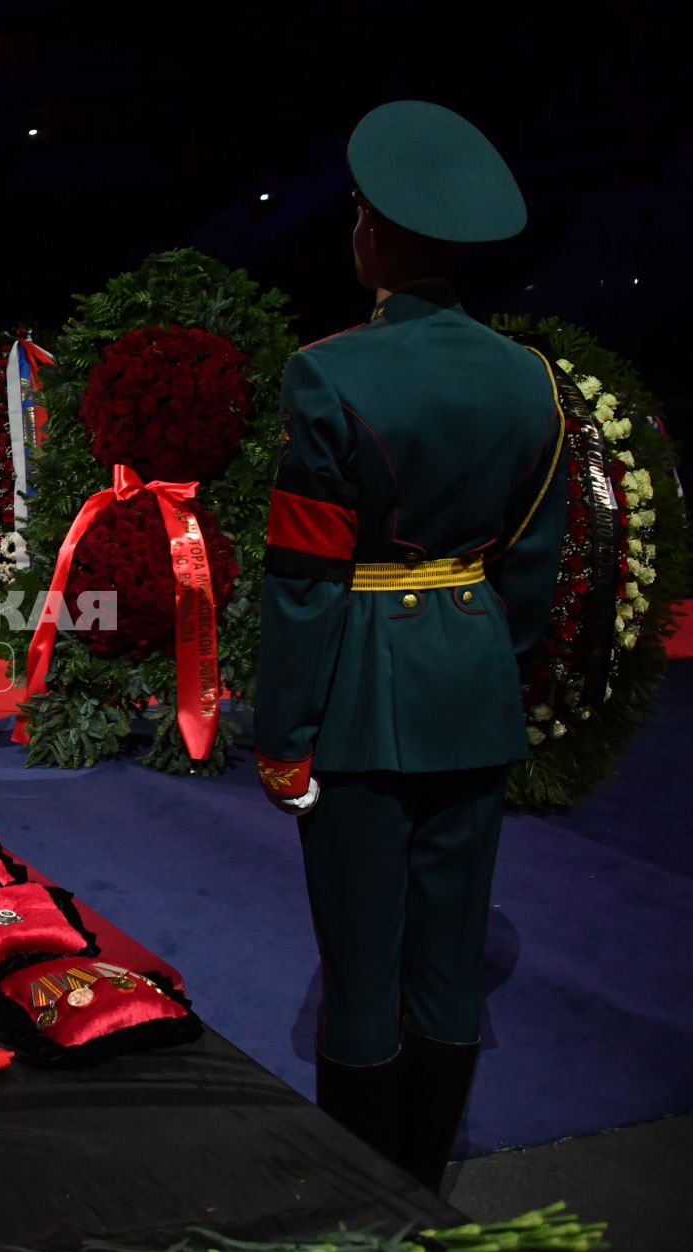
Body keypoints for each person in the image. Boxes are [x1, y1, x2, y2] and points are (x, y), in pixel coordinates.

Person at [253, 100, 566, 1192]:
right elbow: (531, 567)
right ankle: (423, 1179)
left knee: (359, 965)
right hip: (472, 688)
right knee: (444, 961)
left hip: (356, 697)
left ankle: (362, 1190)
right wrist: (477, 658)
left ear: (372, 233)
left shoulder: (329, 373)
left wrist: (281, 729)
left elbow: (303, 580)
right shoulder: (531, 380)